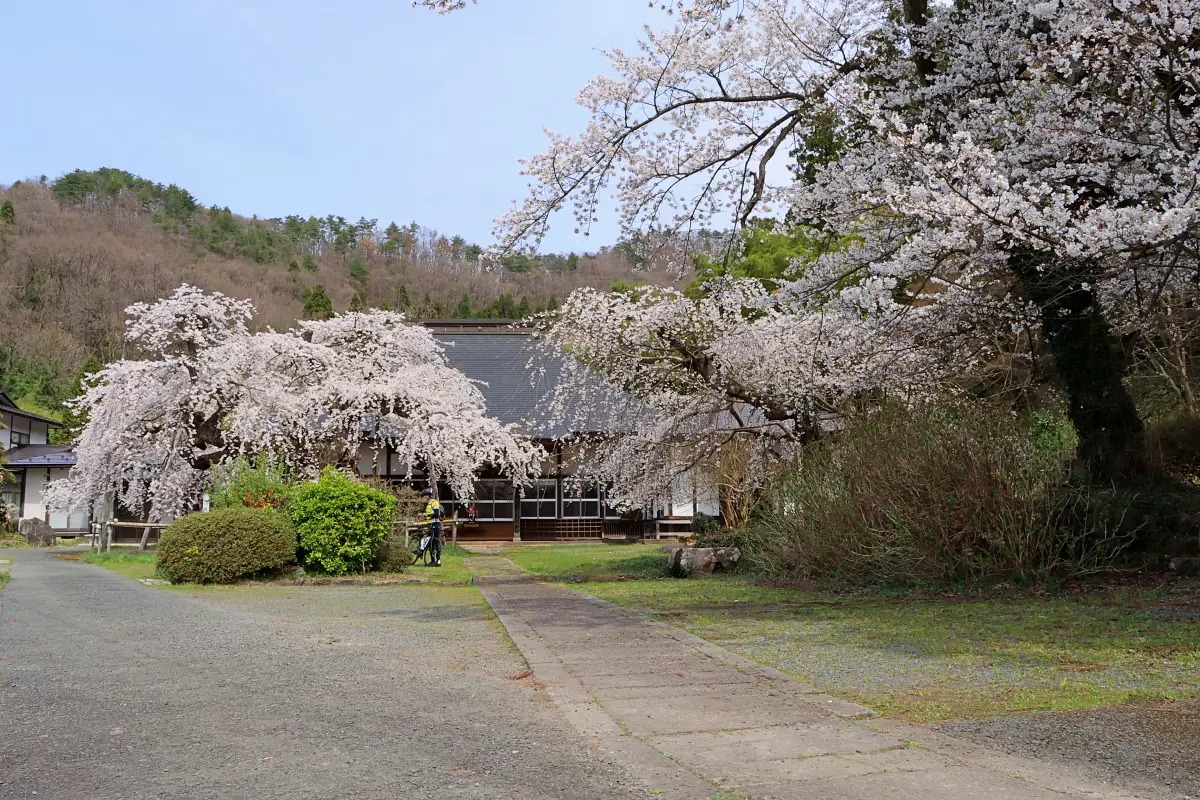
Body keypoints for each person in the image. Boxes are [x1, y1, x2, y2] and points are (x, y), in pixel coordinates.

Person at [420, 487, 443, 566]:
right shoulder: (428, 504)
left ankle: (437, 561)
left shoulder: (434, 502)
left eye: (425, 496)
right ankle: (434, 561)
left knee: (434, 544)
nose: (424, 497)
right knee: (431, 543)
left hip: (435, 524)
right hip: (430, 524)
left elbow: (436, 513)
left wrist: (429, 515)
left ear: (428, 496)